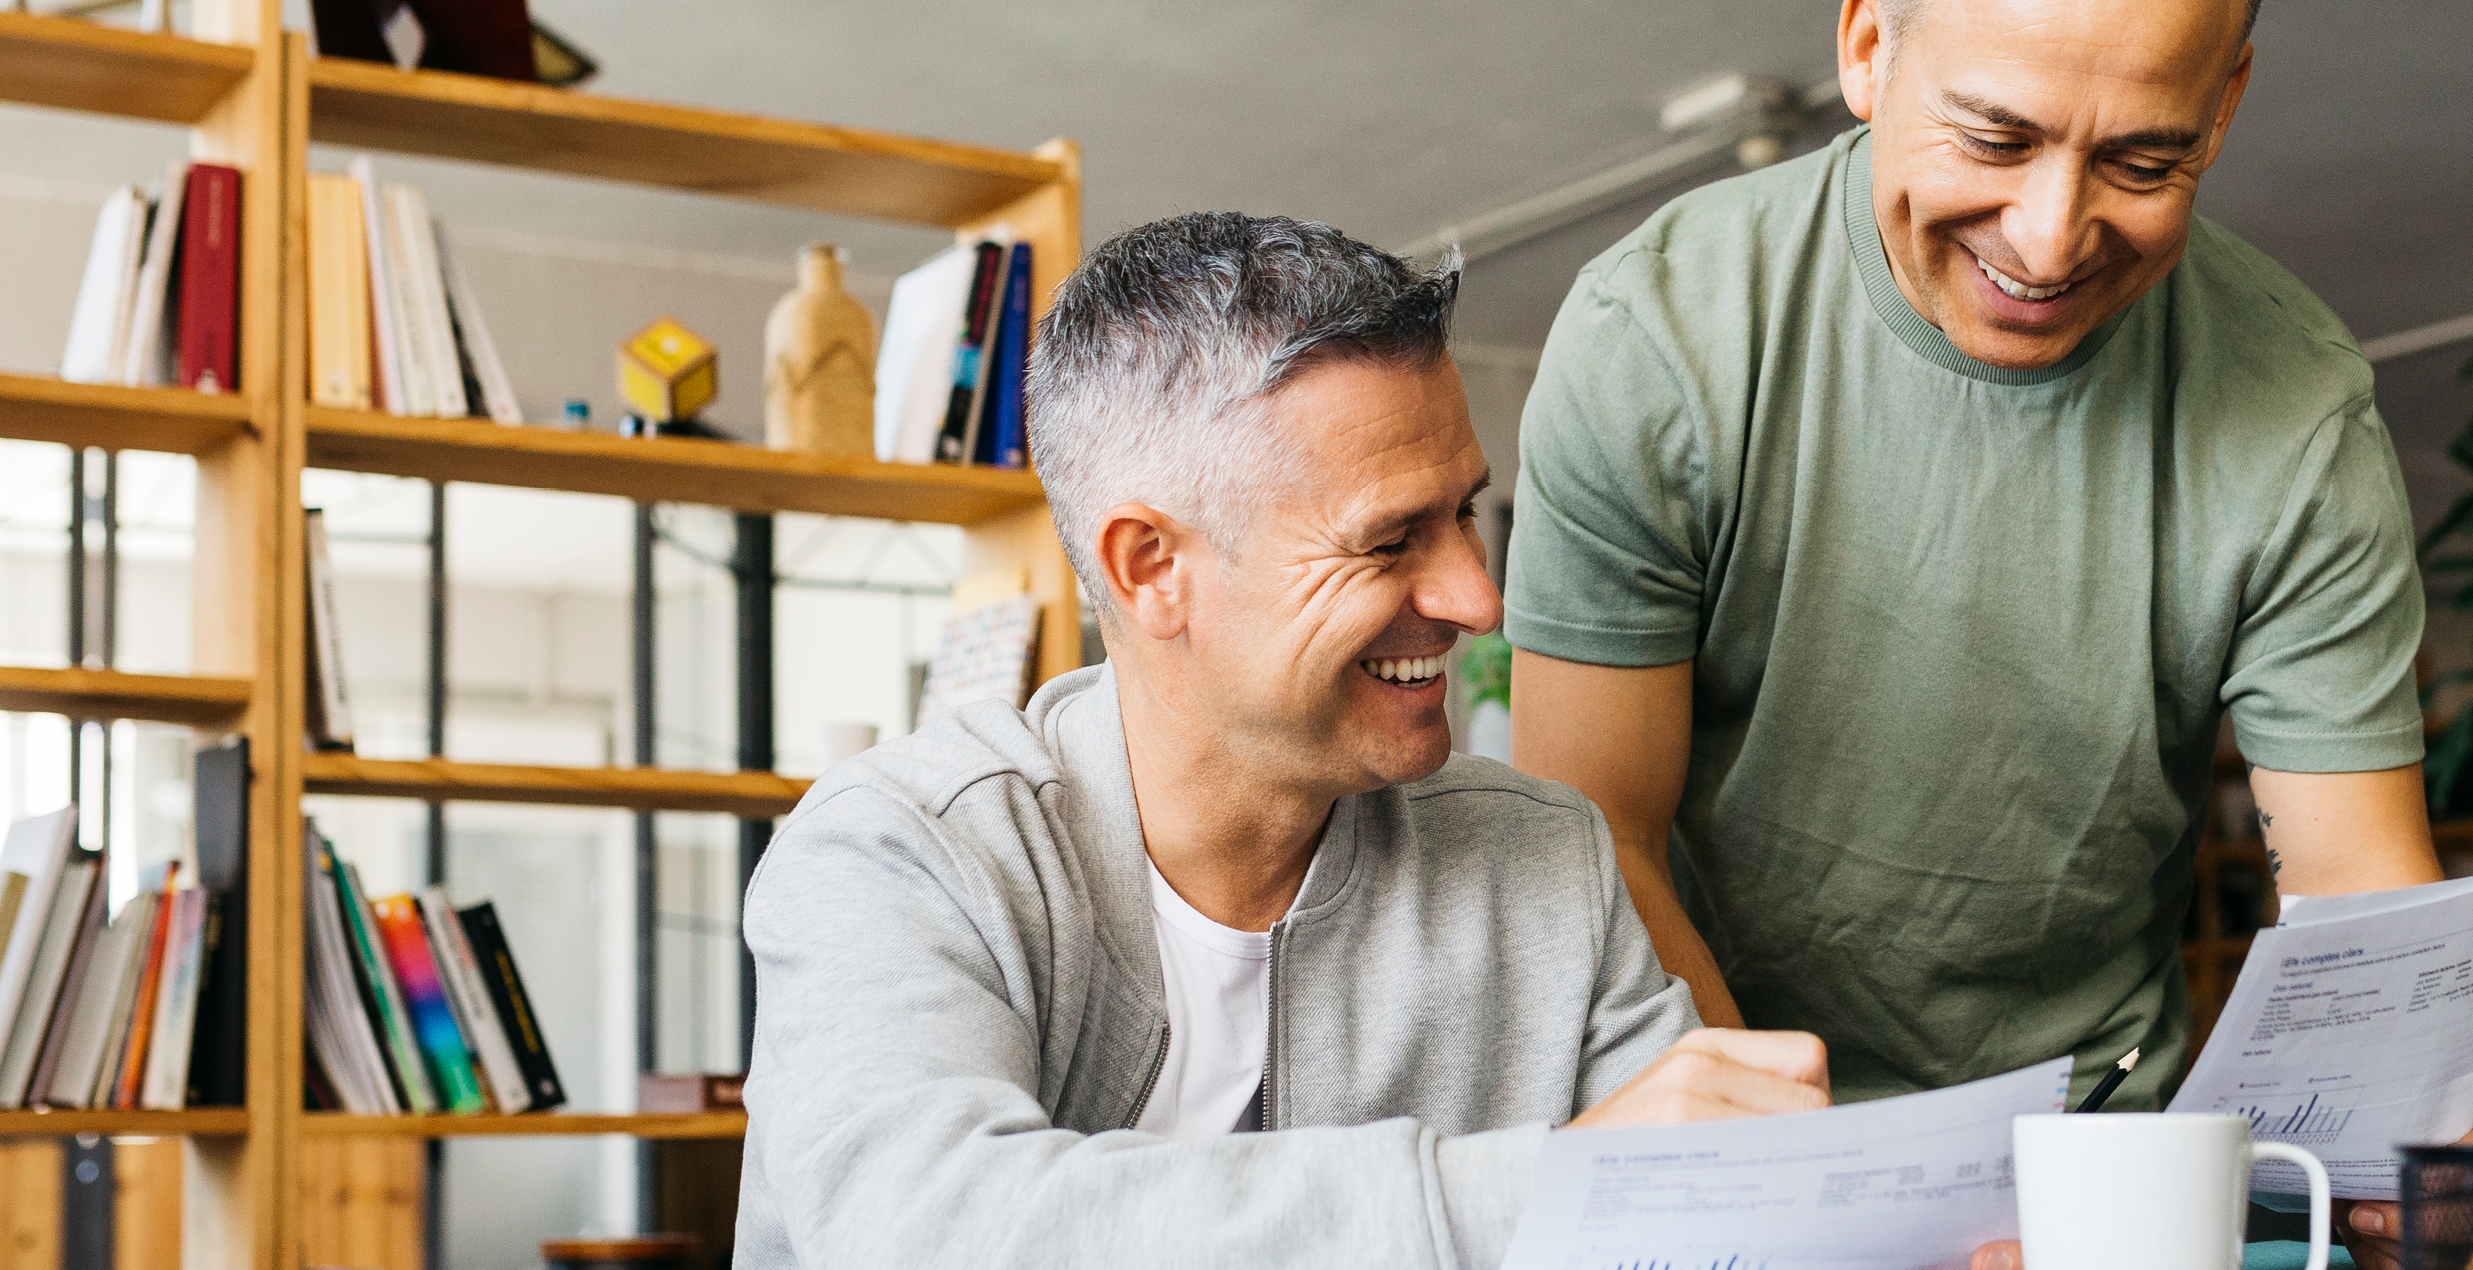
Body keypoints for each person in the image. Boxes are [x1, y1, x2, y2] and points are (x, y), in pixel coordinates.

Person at [1500, 0, 2473, 1264]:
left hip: (2103, 1168)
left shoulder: (2297, 406)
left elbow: (2358, 891)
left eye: (2142, 162)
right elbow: (1595, 849)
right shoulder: (1657, 338)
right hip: (1732, 1139)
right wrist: (1830, 1189)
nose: (2050, 236)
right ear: (1866, 49)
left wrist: (2402, 1153)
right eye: (1990, 137)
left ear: (2226, 102)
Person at [734, 212, 1833, 1269]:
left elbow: (1703, 1212)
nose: (1473, 596)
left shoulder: (1539, 858)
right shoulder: (896, 855)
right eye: (1389, 540)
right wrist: (1544, 1187)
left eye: (1462, 515)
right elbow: (931, 1237)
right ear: (1151, 569)